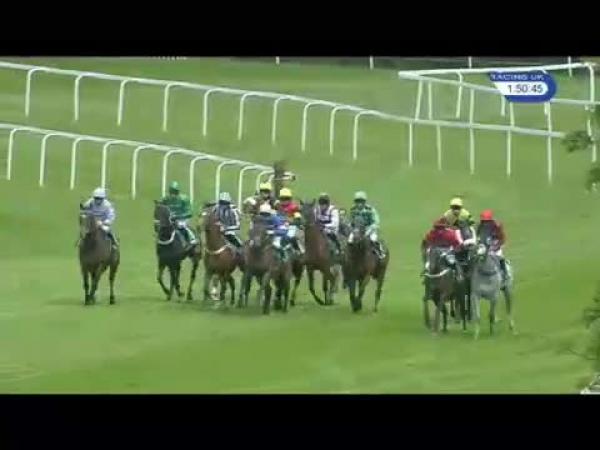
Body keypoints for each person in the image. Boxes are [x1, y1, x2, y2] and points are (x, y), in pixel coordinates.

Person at [159, 181, 197, 248]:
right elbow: (161, 206)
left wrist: (178, 216)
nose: (173, 195)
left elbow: (189, 212)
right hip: (170, 218)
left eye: (174, 193)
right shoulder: (165, 199)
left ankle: (192, 238)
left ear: (178, 192)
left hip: (182, 219)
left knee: (181, 225)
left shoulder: (184, 199)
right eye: (171, 192)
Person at [348, 191, 385, 259]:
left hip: (369, 229)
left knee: (373, 239)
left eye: (361, 202)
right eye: (357, 202)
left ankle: (380, 252)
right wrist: (351, 227)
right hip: (357, 229)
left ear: (364, 202)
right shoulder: (353, 210)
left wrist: (370, 229)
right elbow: (351, 221)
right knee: (350, 240)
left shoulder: (370, 210)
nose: (359, 204)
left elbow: (375, 222)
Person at [477, 209, 508, 283]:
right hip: (485, 244)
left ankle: (505, 274)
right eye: (484, 221)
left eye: (487, 221)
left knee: (499, 256)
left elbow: (502, 239)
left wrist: (495, 247)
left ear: (491, 220)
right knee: (477, 255)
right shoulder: (480, 226)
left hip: (496, 243)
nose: (485, 223)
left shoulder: (497, 226)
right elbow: (477, 236)